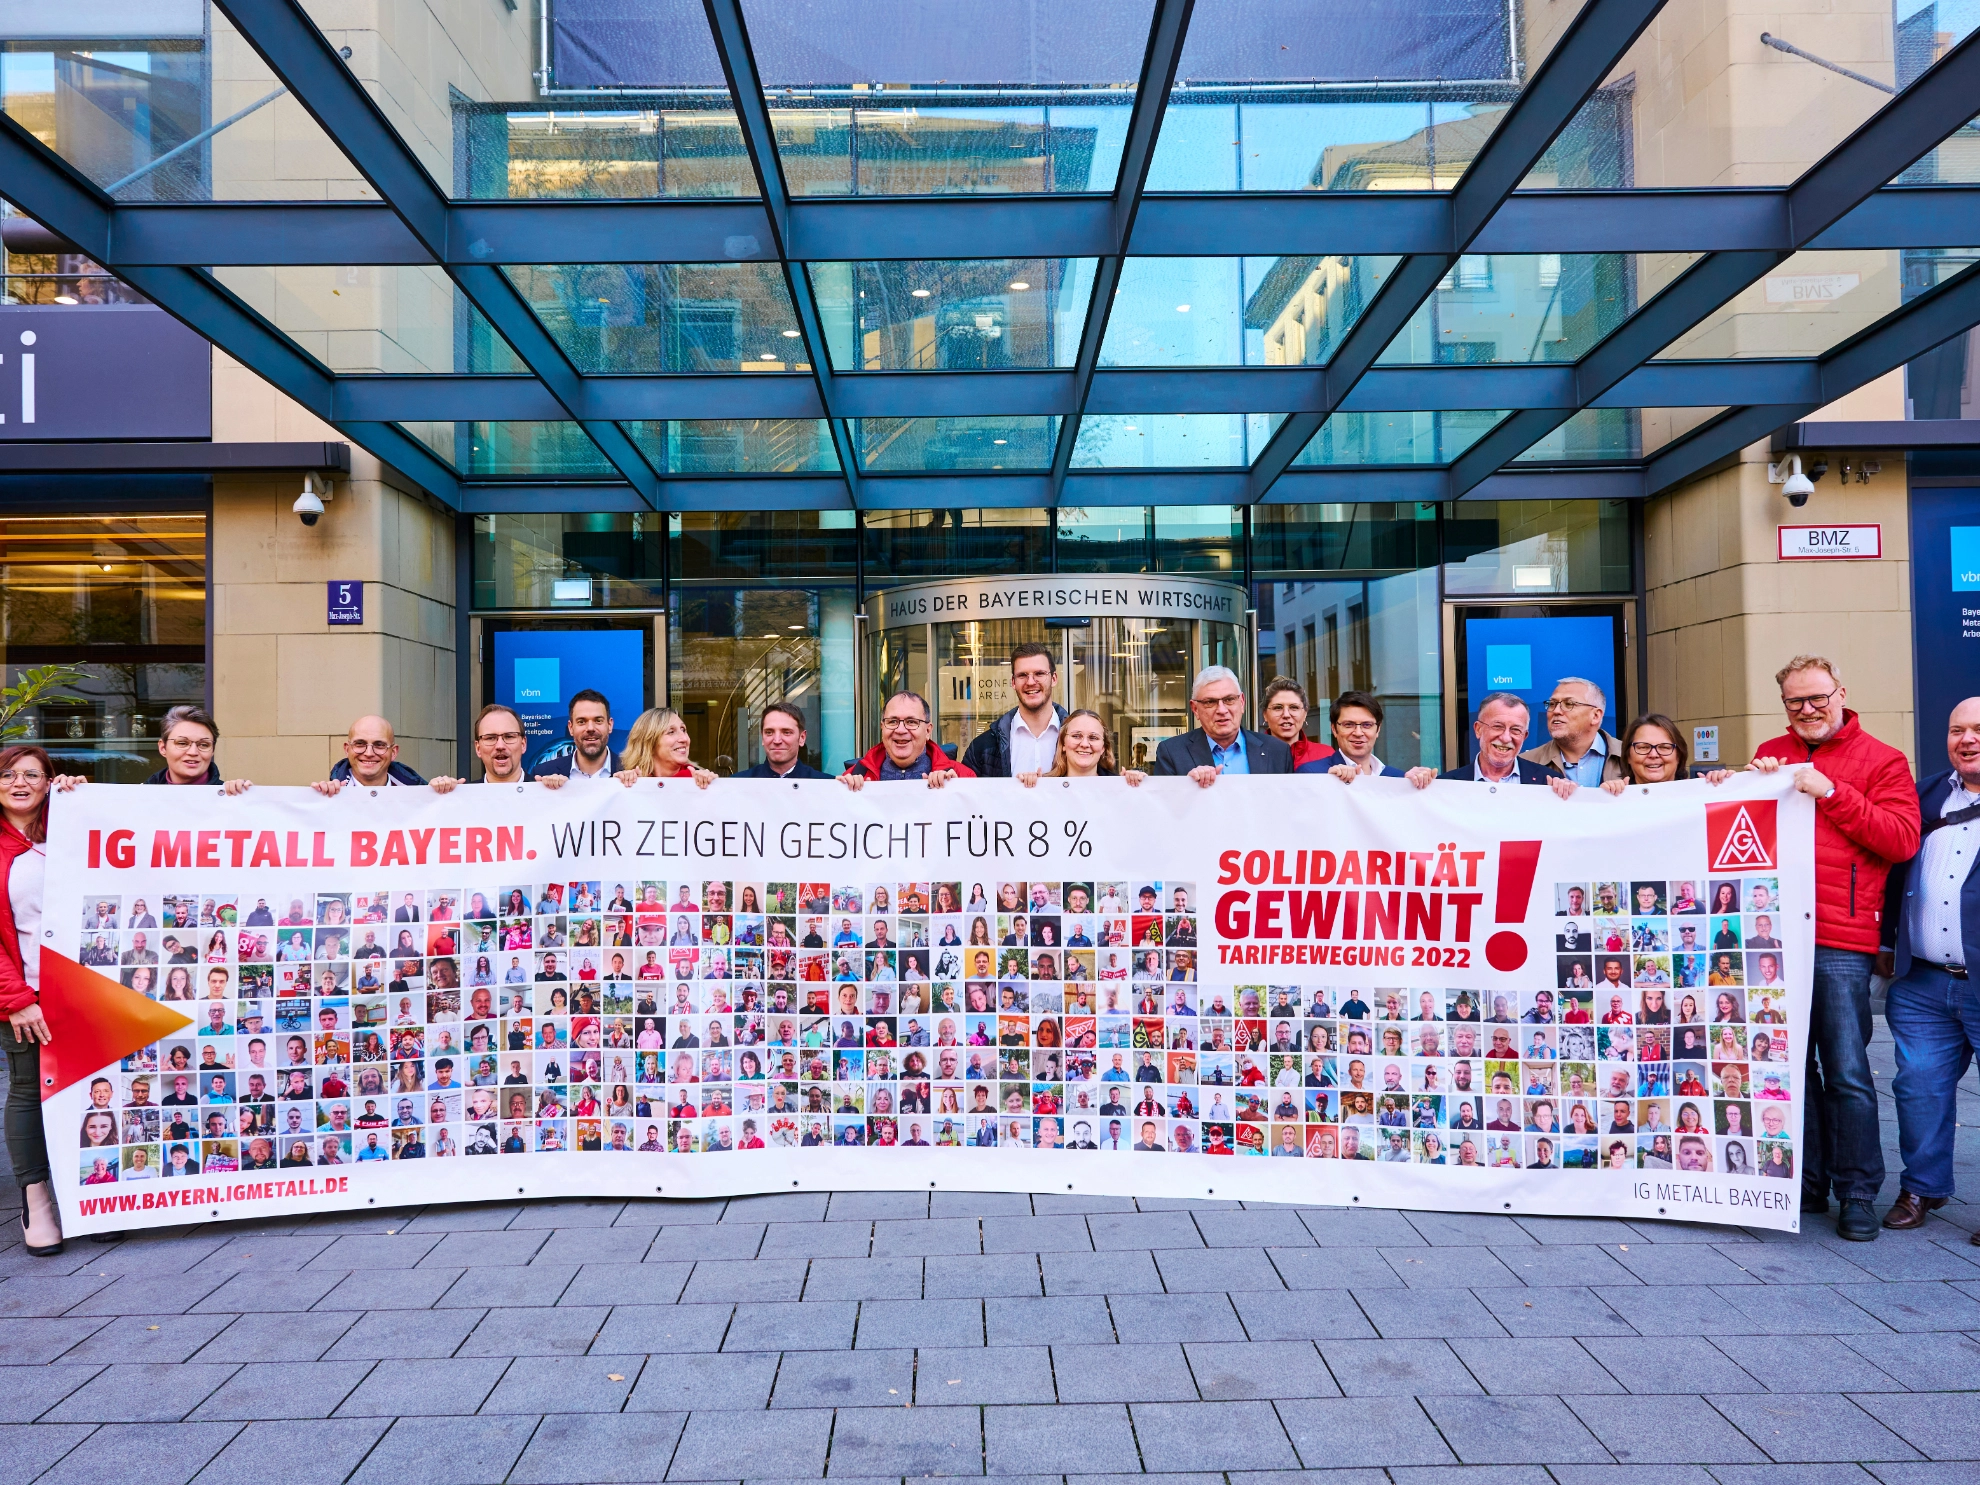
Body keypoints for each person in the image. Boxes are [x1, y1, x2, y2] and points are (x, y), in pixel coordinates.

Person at [1748, 655, 1920, 1242]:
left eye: (1817, 697)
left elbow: (1900, 840)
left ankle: (1857, 1191)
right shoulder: (1772, 751)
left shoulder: (1883, 760)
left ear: (1841, 693)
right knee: (1786, 1069)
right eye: (1795, 701)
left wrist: (1834, 792)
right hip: (1772, 937)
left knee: (1846, 1070)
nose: (1807, 709)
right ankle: (1807, 1183)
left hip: (1840, 939)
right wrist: (1739, 780)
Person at [1879, 696, 1980, 1239]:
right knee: (1918, 1086)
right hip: (1923, 981)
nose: (1966, 739)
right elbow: (1893, 866)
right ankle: (1922, 1186)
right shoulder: (1927, 794)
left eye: (1978, 730)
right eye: (1956, 730)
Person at [0, 746, 60, 1253]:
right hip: (26, 993)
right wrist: (16, 998)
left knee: (93, 1085)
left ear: (48, 783)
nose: (20, 783)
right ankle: (36, 1200)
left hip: (84, 990)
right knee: (27, 1088)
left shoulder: (70, 831)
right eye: (8, 774)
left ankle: (96, 1195)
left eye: (32, 775)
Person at [1152, 666, 1293, 784]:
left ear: (1242, 702)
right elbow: (1164, 811)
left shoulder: (1277, 751)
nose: (1221, 710)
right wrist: (1188, 788)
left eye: (1229, 699)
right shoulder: (1172, 753)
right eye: (1210, 702)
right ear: (1195, 709)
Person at [1406, 693, 1561, 790]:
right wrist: (1408, 788)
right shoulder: (1446, 785)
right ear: (1478, 729)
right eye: (1498, 726)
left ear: (1525, 736)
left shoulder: (1548, 783)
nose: (1506, 738)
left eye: (1515, 730)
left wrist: (1568, 796)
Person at [960, 643, 1068, 778]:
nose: (1030, 682)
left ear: (1053, 679)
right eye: (1022, 675)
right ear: (1013, 682)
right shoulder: (983, 747)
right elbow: (964, 794)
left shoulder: (1078, 739)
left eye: (1039, 674)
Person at [842, 692, 975, 786]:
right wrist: (842, 797)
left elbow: (976, 822)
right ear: (882, 727)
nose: (900, 730)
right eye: (892, 721)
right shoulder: (853, 776)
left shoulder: (962, 777)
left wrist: (957, 792)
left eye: (911, 722)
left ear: (928, 731)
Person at [313, 715, 457, 793]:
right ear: (347, 749)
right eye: (360, 744)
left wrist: (442, 796)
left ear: (393, 752)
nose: (369, 753)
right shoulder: (329, 797)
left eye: (379, 745)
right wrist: (318, 800)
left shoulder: (418, 793)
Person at [1522, 677, 1624, 784]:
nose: (1556, 711)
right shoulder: (1525, 763)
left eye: (1569, 704)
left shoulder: (1631, 757)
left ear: (1595, 716)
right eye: (1552, 704)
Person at [1015, 710, 1147, 787]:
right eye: (1076, 736)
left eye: (1093, 738)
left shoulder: (1119, 788)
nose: (1084, 744)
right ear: (1063, 744)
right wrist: (1027, 787)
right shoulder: (1044, 787)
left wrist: (1139, 787)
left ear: (1103, 748)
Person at [1600, 714, 1726, 792]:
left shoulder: (1701, 796)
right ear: (1627, 756)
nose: (1654, 754)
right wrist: (1604, 799)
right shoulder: (1614, 801)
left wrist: (1727, 787)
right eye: (1643, 747)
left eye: (1665, 747)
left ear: (1679, 755)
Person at [1312, 690, 1407, 780]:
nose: (1358, 733)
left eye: (1367, 725)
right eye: (1348, 725)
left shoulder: (1398, 778)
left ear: (1378, 729)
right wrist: (1329, 783)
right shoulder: (1313, 774)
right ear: (1334, 729)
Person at [534, 689, 621, 781]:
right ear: (571, 728)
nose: (590, 728)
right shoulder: (544, 773)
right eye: (581, 722)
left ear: (610, 725)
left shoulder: (631, 772)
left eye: (598, 721)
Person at [735, 702, 830, 779]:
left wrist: (843, 787)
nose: (777, 740)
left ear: (802, 738)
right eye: (769, 732)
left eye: (786, 732)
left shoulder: (826, 785)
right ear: (762, 738)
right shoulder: (737, 784)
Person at [1259, 676, 1334, 771]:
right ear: (1265, 714)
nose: (1286, 715)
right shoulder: (1251, 755)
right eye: (1278, 708)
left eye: (1294, 707)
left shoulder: (1326, 754)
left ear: (1305, 713)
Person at [472, 703, 532, 784]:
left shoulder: (548, 793)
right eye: (490, 738)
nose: (500, 746)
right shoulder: (461, 795)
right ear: (478, 748)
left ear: (523, 744)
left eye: (509, 736)